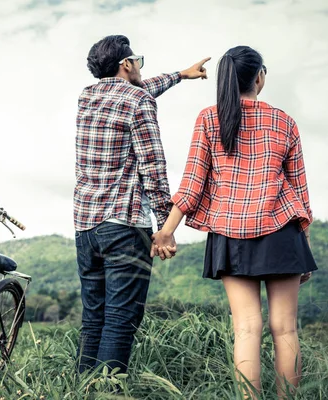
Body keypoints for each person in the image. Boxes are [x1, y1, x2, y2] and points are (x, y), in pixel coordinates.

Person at [151, 45, 317, 398]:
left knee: (245, 328)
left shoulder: (210, 119)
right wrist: (304, 247)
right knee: (285, 330)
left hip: (230, 232)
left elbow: (192, 185)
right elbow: (300, 194)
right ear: (259, 77)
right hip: (283, 233)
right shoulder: (285, 121)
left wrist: (166, 231)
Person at [73, 34, 210, 374]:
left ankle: (81, 390)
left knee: (94, 318)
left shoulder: (87, 97)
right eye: (138, 62)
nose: (140, 68)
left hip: (85, 228)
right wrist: (165, 228)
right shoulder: (138, 102)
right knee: (120, 319)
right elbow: (153, 167)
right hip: (124, 225)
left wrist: (180, 75)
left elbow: (139, 89)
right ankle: (106, 394)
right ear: (126, 64)